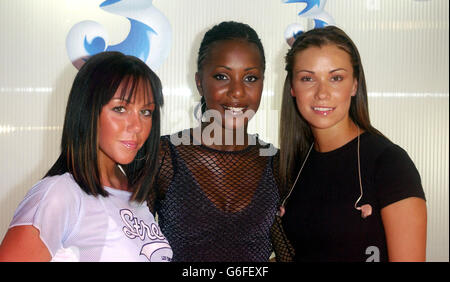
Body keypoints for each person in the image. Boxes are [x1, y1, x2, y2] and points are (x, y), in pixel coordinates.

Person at [0, 51, 172, 262]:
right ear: (88, 111)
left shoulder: (132, 194)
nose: (137, 126)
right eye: (120, 108)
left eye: (146, 112)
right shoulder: (60, 194)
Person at [278, 26, 427, 262]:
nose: (322, 93)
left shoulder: (389, 163)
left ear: (355, 85)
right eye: (308, 78)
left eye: (336, 78)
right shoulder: (293, 165)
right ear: (293, 89)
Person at [148, 21, 280, 262]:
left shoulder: (278, 164)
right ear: (200, 82)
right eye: (222, 76)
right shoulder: (162, 155)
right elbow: (130, 247)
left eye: (250, 78)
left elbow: (292, 253)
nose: (237, 92)